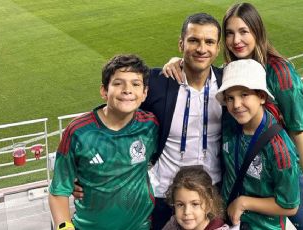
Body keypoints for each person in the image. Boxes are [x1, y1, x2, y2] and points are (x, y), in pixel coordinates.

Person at [162, 3, 303, 229]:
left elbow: (300, 138)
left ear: (257, 32)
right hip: (242, 169)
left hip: (284, 168)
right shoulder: (230, 69)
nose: (236, 40)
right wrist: (178, 62)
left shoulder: (280, 73)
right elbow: (201, 69)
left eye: (243, 31)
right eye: (229, 33)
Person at [73, 13, 224, 230]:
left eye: (209, 42)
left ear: (218, 48)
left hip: (209, 194)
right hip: (162, 194)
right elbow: (114, 120)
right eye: (193, 40)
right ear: (181, 44)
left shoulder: (228, 84)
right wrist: (85, 174)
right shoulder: (157, 81)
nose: (201, 49)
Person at [49, 54, 158, 230]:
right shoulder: (78, 132)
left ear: (144, 93)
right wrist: (64, 227)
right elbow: (59, 191)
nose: (127, 90)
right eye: (118, 83)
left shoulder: (151, 125)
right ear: (104, 91)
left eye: (135, 84)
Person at [216, 59, 300, 229]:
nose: (236, 105)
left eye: (244, 95)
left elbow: (290, 205)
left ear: (262, 96)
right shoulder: (229, 124)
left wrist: (244, 203)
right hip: (228, 221)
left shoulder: (279, 147)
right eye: (230, 98)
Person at [163, 166, 229, 230]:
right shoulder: (172, 225)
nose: (187, 212)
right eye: (180, 205)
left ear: (208, 205)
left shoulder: (218, 227)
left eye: (195, 204)